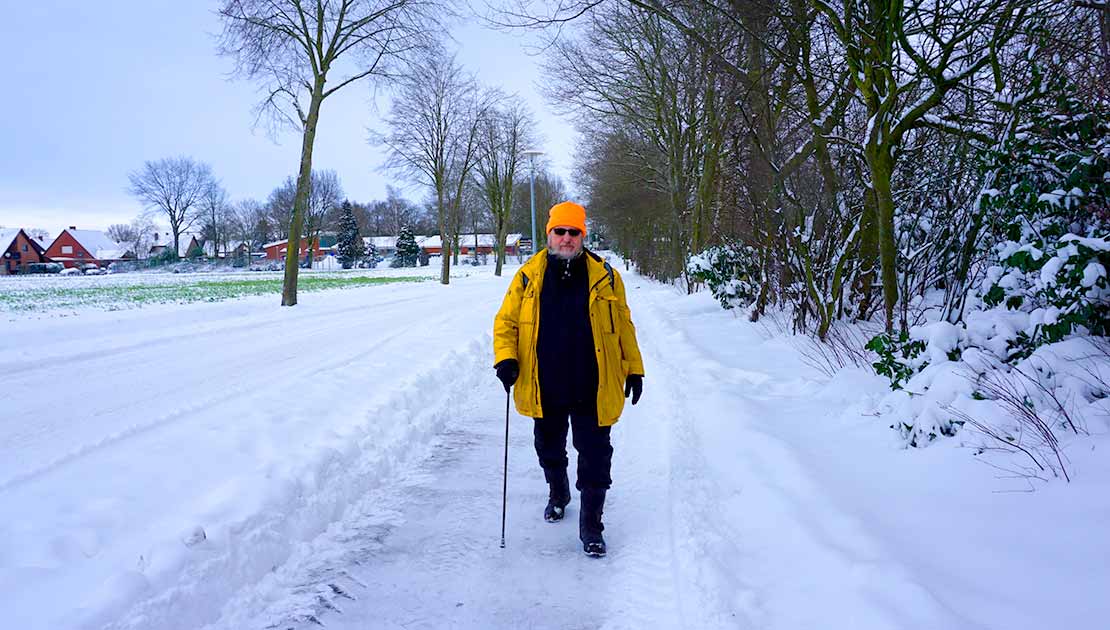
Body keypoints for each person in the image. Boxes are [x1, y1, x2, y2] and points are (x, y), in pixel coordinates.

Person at [492, 201, 644, 557]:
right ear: (549, 234)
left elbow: (623, 325)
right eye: (560, 232)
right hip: (545, 383)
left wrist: (634, 367)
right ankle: (558, 491)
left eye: (573, 232)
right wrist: (506, 359)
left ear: (582, 236)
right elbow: (506, 323)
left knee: (595, 455)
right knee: (548, 448)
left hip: (594, 384)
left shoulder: (605, 275)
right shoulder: (528, 276)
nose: (566, 239)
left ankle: (592, 526)